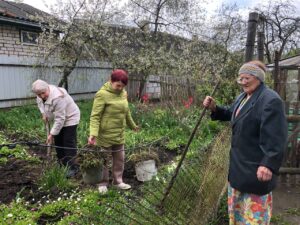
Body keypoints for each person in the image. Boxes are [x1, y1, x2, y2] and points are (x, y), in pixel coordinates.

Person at [203, 60, 287, 225]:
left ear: (258, 78)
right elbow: (231, 113)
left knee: (253, 219)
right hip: (239, 169)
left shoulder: (270, 100)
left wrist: (268, 164)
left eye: (246, 78)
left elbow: (277, 136)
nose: (242, 82)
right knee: (238, 216)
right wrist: (215, 108)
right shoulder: (243, 97)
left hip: (256, 170)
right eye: (240, 78)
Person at [88, 69, 138, 194]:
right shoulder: (102, 94)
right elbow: (95, 116)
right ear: (111, 81)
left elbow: (126, 111)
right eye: (118, 85)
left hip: (119, 133)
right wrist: (93, 134)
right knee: (104, 159)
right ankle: (102, 183)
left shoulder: (123, 93)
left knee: (120, 159)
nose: (120, 88)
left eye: (123, 86)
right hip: (104, 134)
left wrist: (133, 126)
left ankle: (117, 181)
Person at [32, 79, 80, 178]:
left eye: (43, 93)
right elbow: (40, 104)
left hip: (70, 118)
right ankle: (62, 163)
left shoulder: (58, 97)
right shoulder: (40, 95)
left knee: (68, 142)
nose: (41, 96)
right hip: (59, 119)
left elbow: (60, 119)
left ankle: (72, 167)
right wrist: (43, 114)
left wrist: (51, 134)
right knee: (58, 142)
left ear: (47, 88)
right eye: (39, 94)